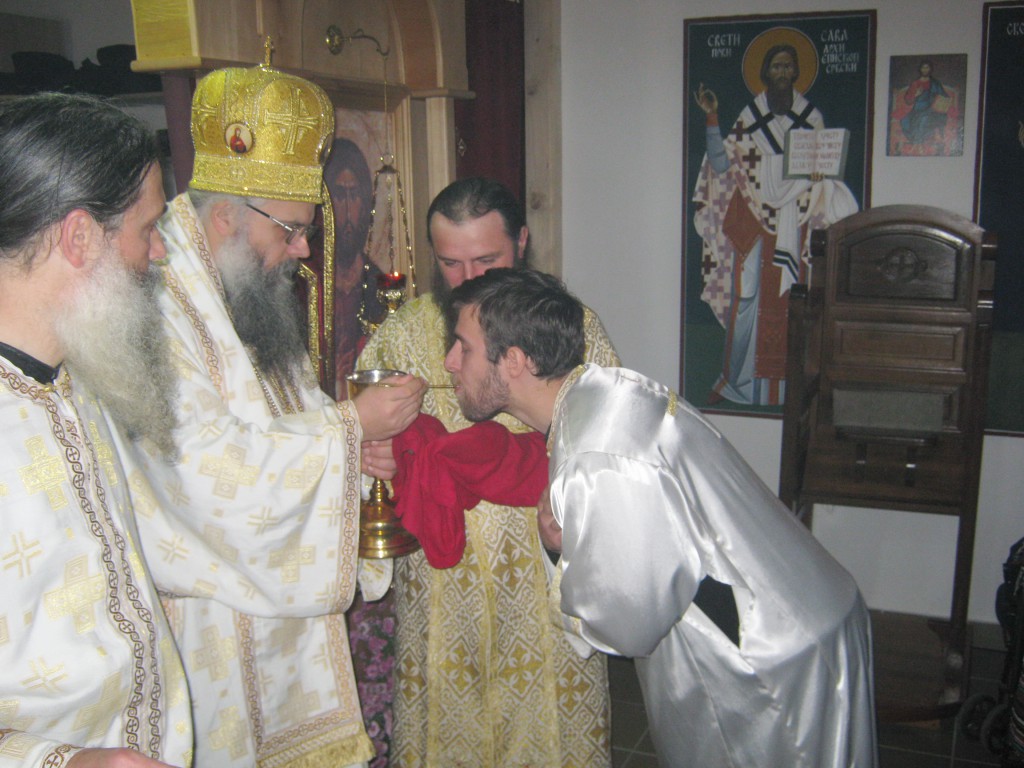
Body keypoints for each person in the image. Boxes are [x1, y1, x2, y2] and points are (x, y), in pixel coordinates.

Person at [115, 62, 426, 768]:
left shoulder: (241, 283)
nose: (303, 250)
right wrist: (350, 428)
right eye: (291, 230)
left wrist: (356, 448)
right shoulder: (150, 302)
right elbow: (205, 474)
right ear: (227, 216)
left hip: (275, 632)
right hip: (207, 634)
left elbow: (293, 409)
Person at [443, 267, 879, 768]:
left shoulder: (597, 455)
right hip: (805, 606)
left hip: (772, 660)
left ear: (515, 361)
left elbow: (625, 623)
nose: (450, 361)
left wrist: (559, 551)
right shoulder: (602, 394)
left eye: (464, 348)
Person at [356, 177, 617, 766]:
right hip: (441, 596)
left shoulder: (576, 329)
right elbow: (366, 454)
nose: (469, 280)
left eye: (486, 261)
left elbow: (612, 459)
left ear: (520, 243)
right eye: (451, 263)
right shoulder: (403, 336)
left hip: (545, 595)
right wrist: (379, 463)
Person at [0, 93, 188, 766]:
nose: (159, 252)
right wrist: (58, 762)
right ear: (80, 237)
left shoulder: (78, 381)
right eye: (148, 228)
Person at [693, 41, 859, 406]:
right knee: (746, 297)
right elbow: (721, 165)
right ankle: (735, 381)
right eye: (776, 66)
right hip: (752, 222)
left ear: (796, 73)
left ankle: (791, 387)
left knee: (794, 299)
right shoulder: (749, 117)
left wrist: (819, 177)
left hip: (795, 221)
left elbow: (825, 170)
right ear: (765, 73)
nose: (782, 73)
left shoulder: (811, 118)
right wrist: (712, 117)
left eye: (788, 66)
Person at [324, 137, 384, 390]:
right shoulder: (308, 284)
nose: (348, 212)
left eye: (355, 196)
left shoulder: (377, 282)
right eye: (339, 195)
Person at [897, 60, 952, 148]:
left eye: (927, 67)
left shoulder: (935, 83)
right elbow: (907, 100)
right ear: (920, 69)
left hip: (931, 110)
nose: (925, 70)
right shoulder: (915, 83)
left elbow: (944, 97)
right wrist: (916, 94)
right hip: (916, 110)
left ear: (930, 69)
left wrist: (937, 100)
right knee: (905, 120)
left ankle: (919, 142)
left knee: (923, 120)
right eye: (923, 67)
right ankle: (914, 140)